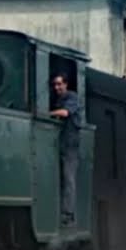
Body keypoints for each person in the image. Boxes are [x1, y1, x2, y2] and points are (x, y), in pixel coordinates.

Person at [49, 74, 81, 226]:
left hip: (70, 143)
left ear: (66, 84)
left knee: (69, 178)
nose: (57, 87)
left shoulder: (72, 97)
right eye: (55, 85)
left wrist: (49, 113)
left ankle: (68, 214)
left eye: (59, 84)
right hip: (60, 142)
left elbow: (65, 113)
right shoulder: (58, 100)